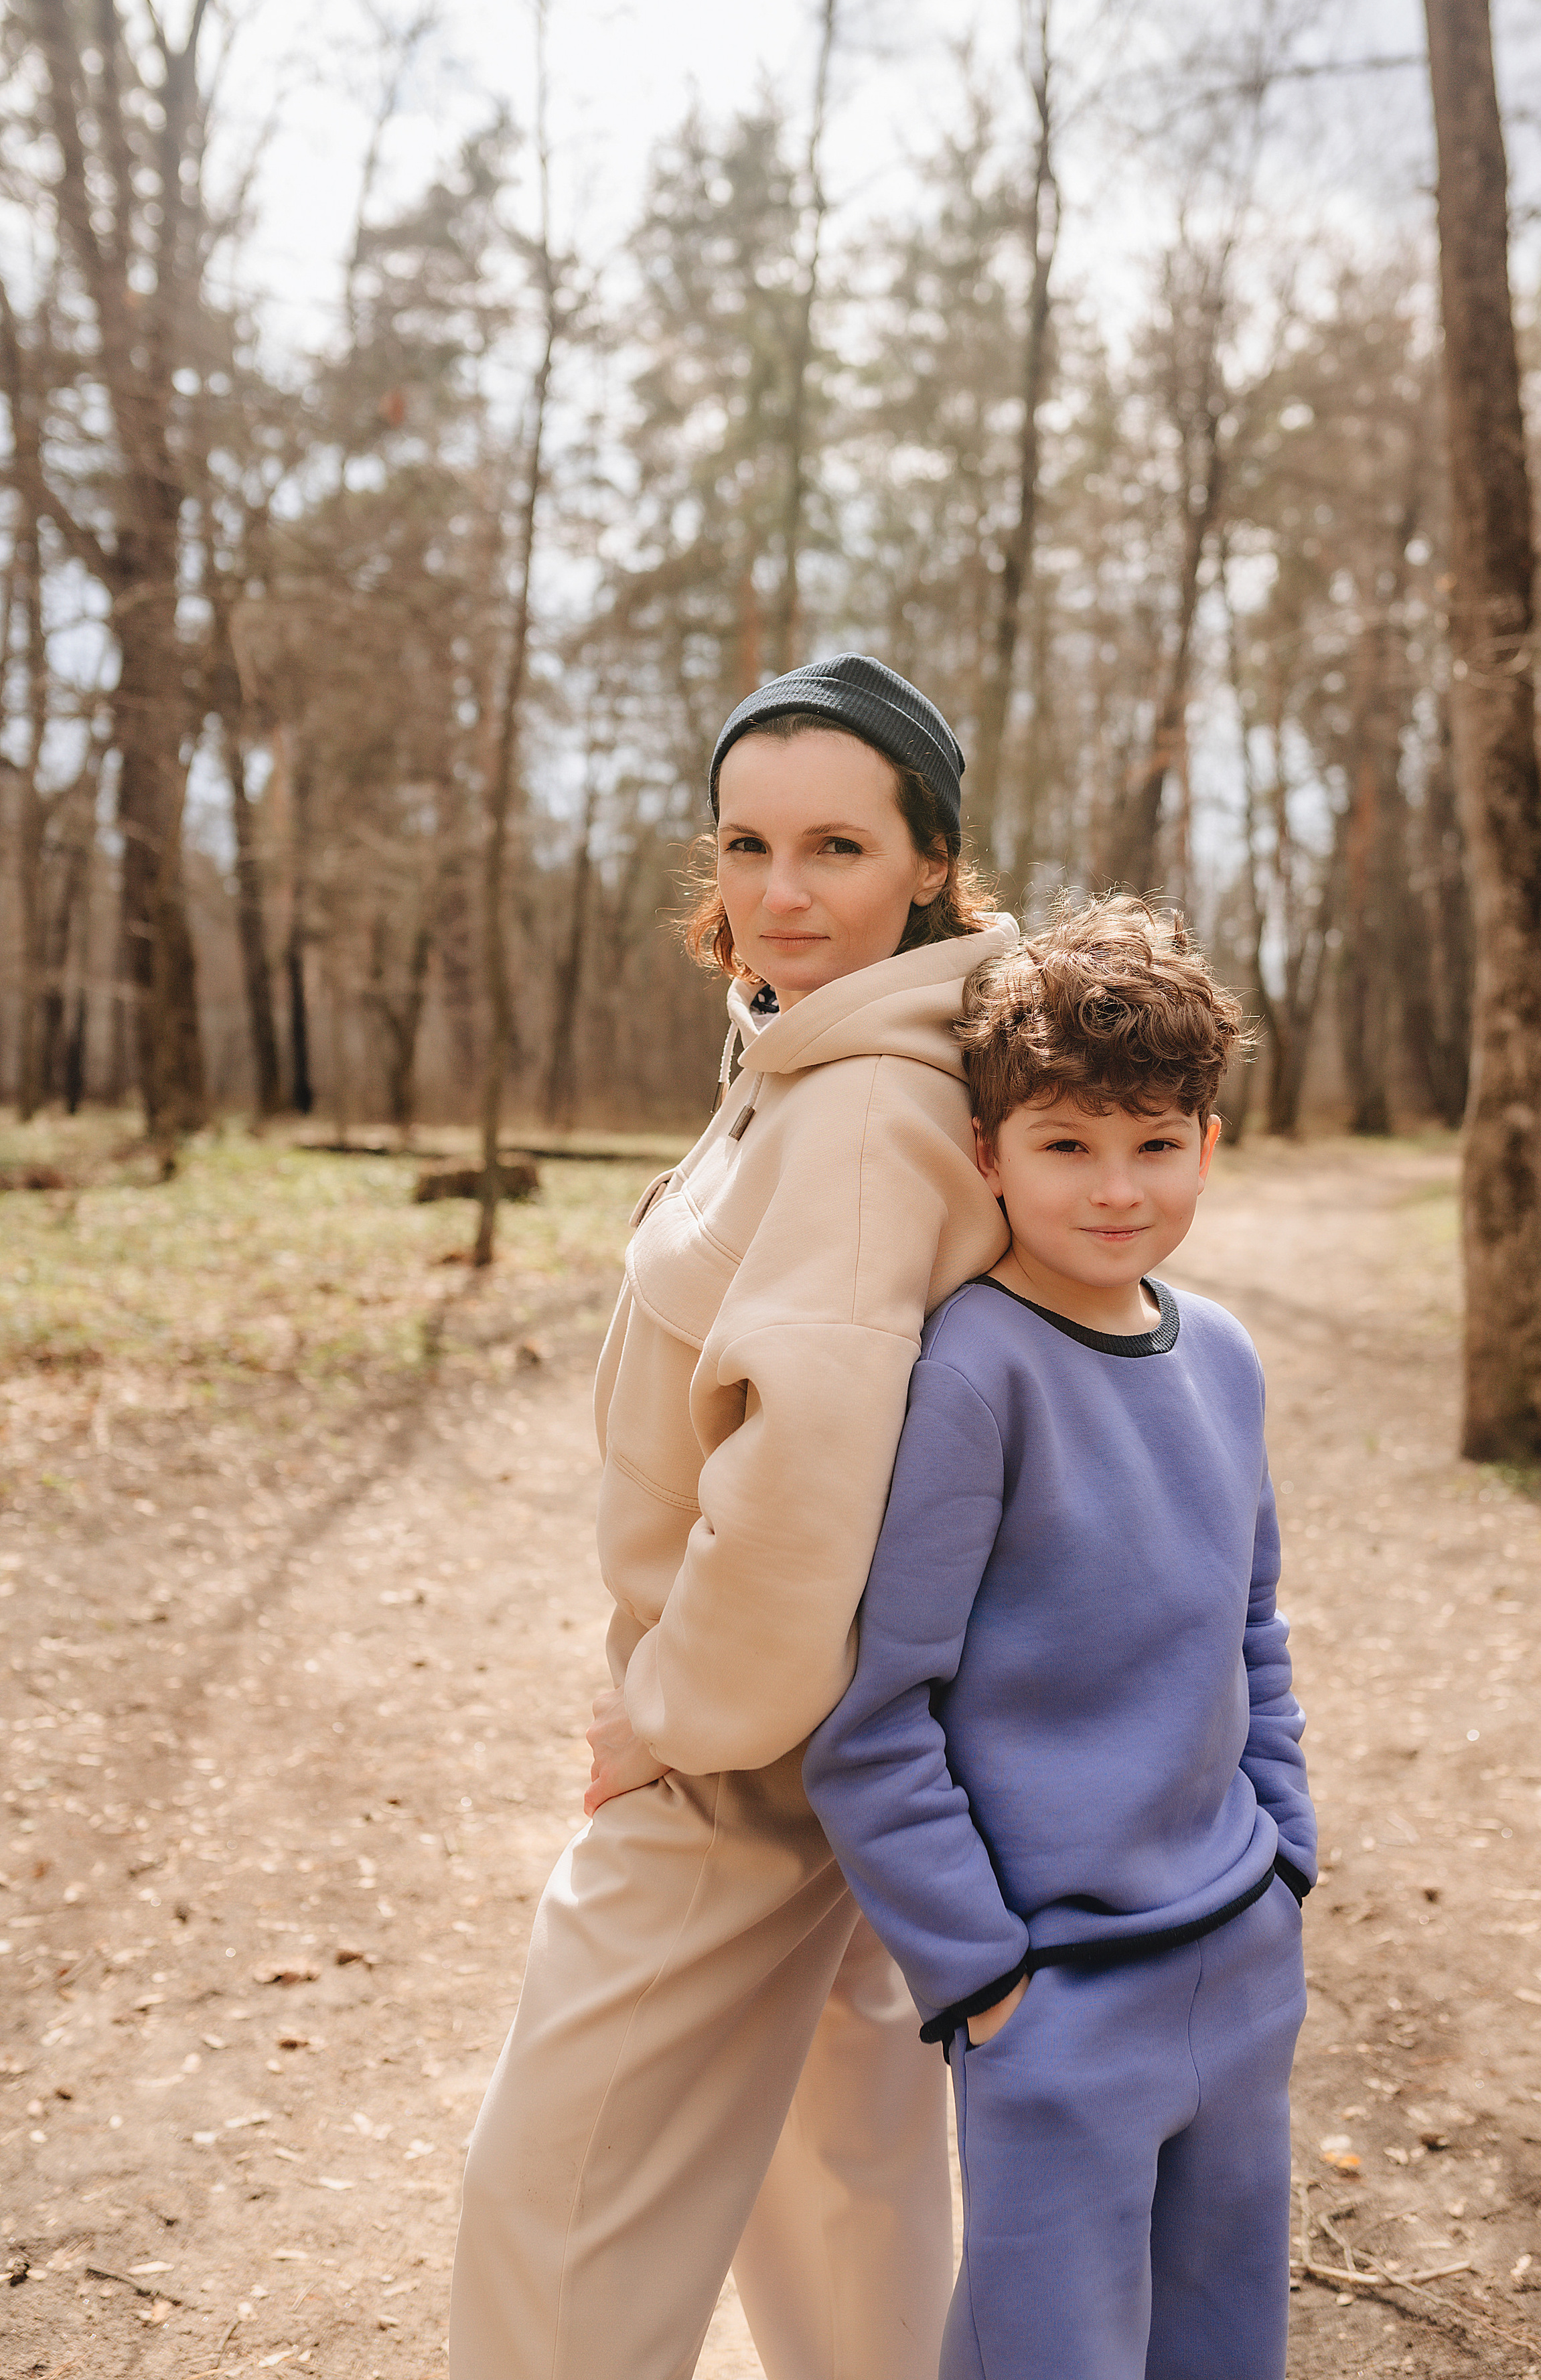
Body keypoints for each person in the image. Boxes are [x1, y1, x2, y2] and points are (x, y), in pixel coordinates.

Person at [449, 654, 1019, 2380]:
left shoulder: (861, 1107)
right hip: (847, 1730)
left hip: (752, 1749)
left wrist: (670, 1717)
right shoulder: (825, 1057)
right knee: (832, 2167)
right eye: (747, 845)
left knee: (555, 2201)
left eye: (836, 848)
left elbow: (803, 1480)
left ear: (929, 860)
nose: (779, 894)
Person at [802, 897, 1318, 2380]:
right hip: (1055, 1996)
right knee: (1046, 2354)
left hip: (1237, 1948)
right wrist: (985, 1979)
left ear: (1206, 1147)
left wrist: (1283, 1850)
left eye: (1155, 1144)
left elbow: (1247, 1626)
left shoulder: (1218, 1354)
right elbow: (875, 1714)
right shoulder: (971, 1373)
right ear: (987, 1156)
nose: (1115, 1190)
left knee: (1223, 2342)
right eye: (1065, 1146)